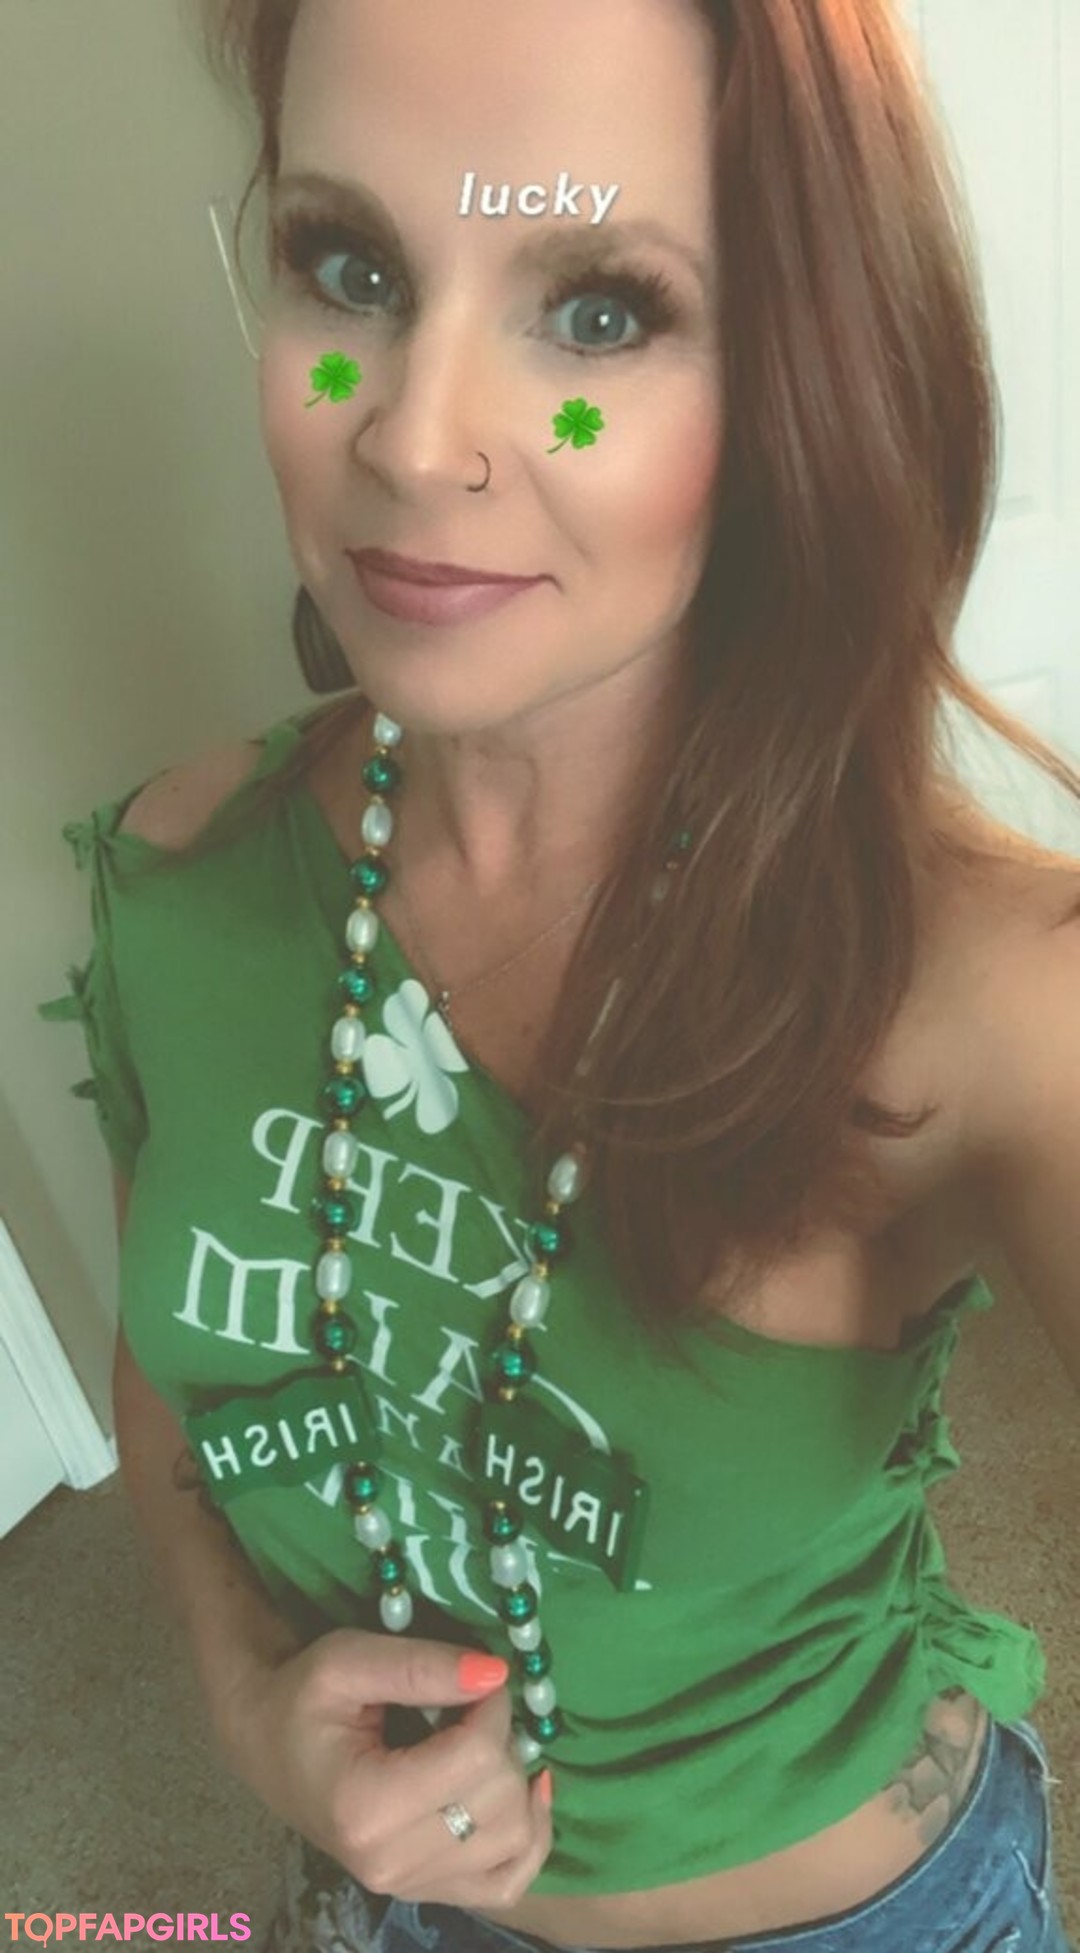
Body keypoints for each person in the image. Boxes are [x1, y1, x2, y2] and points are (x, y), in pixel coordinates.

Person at [41, 0, 1078, 1949]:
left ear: (799, 371)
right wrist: (257, 1715)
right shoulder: (182, 875)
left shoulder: (979, 991)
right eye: (350, 267)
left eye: (599, 309)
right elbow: (172, 1378)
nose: (409, 437)